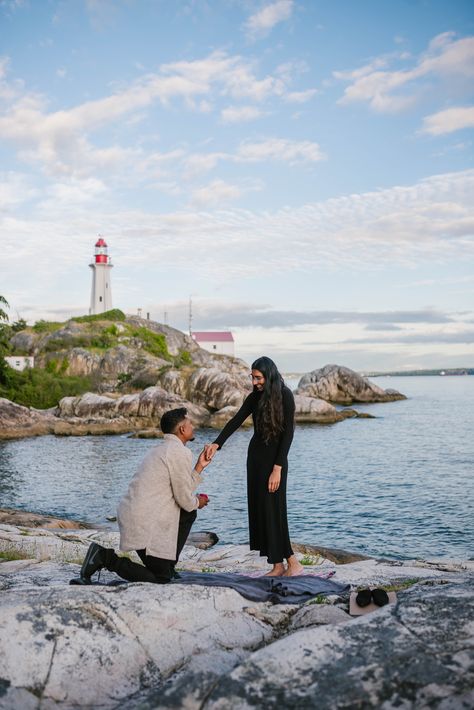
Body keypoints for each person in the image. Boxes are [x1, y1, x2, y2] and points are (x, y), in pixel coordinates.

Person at [72, 408, 210, 585]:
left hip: (138, 516)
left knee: (188, 513)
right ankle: (104, 557)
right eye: (190, 423)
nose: (193, 426)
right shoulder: (178, 452)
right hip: (144, 521)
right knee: (161, 579)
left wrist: (199, 467)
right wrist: (198, 501)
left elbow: (180, 487)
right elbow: (184, 498)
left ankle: (167, 566)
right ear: (182, 429)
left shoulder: (164, 449)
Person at [204, 356, 304, 577]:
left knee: (275, 510)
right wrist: (216, 444)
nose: (254, 382)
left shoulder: (285, 395)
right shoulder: (254, 397)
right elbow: (236, 420)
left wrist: (278, 467)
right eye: (253, 377)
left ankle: (293, 563)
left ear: (269, 375)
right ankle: (277, 566)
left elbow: (288, 434)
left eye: (258, 377)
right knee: (262, 510)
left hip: (275, 462)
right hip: (256, 459)